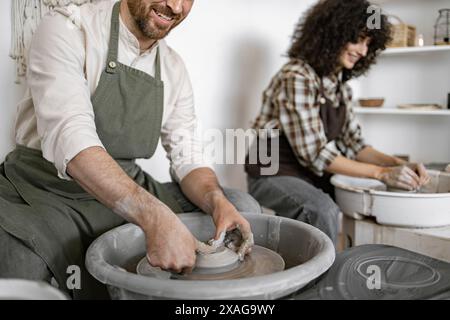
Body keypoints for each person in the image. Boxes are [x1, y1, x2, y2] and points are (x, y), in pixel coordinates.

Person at [0, 0, 260, 299]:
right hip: (45, 189)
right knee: (22, 268)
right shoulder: (68, 28)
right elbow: (71, 138)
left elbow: (188, 155)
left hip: (128, 180)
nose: (175, 6)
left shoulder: (173, 68)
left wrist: (217, 201)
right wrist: (154, 217)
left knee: (241, 207)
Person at [245, 0, 429, 244]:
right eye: (358, 39)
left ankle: (327, 262)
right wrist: (383, 173)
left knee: (363, 197)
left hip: (307, 173)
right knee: (322, 211)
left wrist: (398, 164)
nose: (363, 51)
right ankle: (320, 281)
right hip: (271, 171)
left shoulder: (340, 86)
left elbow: (355, 145)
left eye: (368, 44)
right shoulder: (296, 76)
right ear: (332, 34)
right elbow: (317, 154)